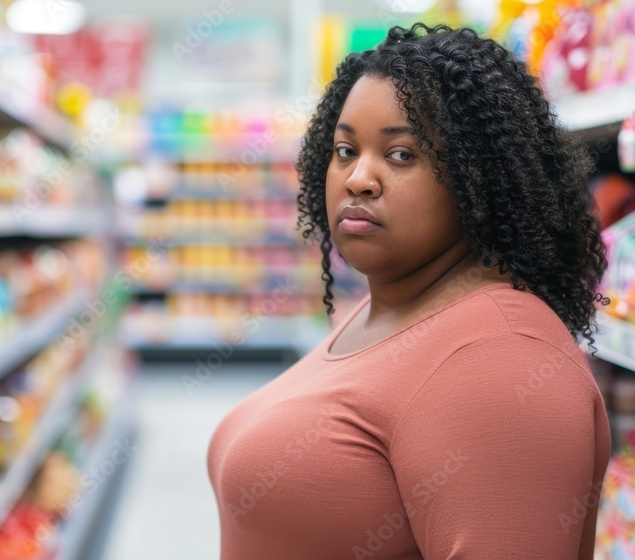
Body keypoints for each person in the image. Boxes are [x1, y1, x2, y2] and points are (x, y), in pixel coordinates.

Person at [208, 23, 611, 560]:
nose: (358, 178)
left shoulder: (501, 359)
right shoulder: (382, 309)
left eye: (401, 155)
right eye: (345, 149)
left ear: (478, 182)